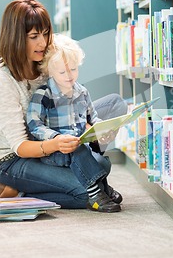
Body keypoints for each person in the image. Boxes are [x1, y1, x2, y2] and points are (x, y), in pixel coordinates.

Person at [0, 0, 127, 212]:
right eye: (33, 37)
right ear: (15, 38)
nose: (42, 43)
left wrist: (92, 129)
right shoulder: (0, 79)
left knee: (114, 107)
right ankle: (18, 190)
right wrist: (58, 143)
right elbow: (20, 146)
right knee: (82, 193)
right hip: (12, 159)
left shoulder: (45, 59)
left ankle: (88, 177)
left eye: (45, 33)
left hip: (53, 139)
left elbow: (71, 100)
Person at [26, 33, 121, 213]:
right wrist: (56, 138)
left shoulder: (82, 92)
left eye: (74, 69)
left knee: (103, 162)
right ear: (50, 71)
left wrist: (100, 129)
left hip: (79, 148)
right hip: (54, 152)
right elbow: (34, 124)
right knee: (79, 149)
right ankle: (96, 193)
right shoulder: (44, 94)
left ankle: (102, 189)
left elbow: (93, 117)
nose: (69, 76)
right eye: (62, 72)